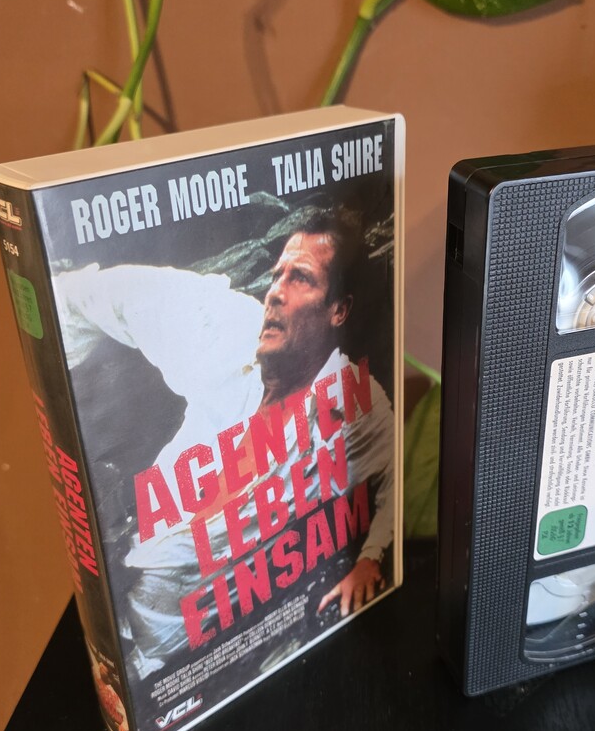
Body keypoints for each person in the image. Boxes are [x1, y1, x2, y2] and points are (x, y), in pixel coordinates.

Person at [53, 204, 395, 681]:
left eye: (300, 278)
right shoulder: (220, 326)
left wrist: (371, 557)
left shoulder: (357, 403)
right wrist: (62, 374)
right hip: (111, 597)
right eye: (277, 275)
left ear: (339, 309)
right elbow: (79, 295)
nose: (275, 292)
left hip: (189, 659)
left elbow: (393, 482)